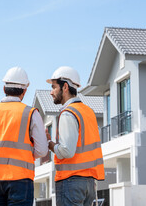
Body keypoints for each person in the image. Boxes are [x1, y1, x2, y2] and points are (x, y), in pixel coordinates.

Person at [0, 66, 48, 206]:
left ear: (4, 89)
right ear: (24, 91)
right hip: (21, 179)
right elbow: (42, 150)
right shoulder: (31, 113)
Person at [45, 66, 105, 206]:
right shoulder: (88, 112)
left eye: (54, 87)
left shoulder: (68, 113)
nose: (51, 92)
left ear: (65, 87)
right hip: (89, 183)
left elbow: (67, 151)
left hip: (71, 182)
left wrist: (49, 143)